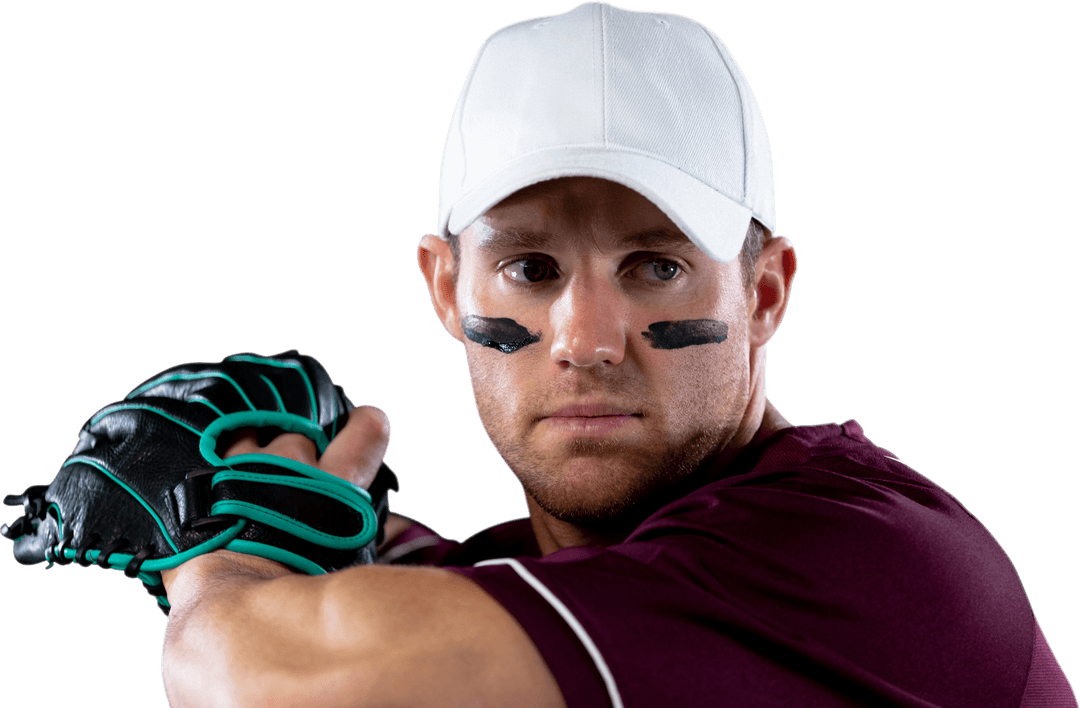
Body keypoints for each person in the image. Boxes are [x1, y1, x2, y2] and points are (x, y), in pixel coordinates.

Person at [159, 3, 1076, 707]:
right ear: (446, 290)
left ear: (764, 292)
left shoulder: (862, 560)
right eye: (529, 267)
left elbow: (272, 680)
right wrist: (328, 524)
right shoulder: (575, 584)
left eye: (657, 267)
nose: (588, 340)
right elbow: (463, 602)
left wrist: (214, 553)